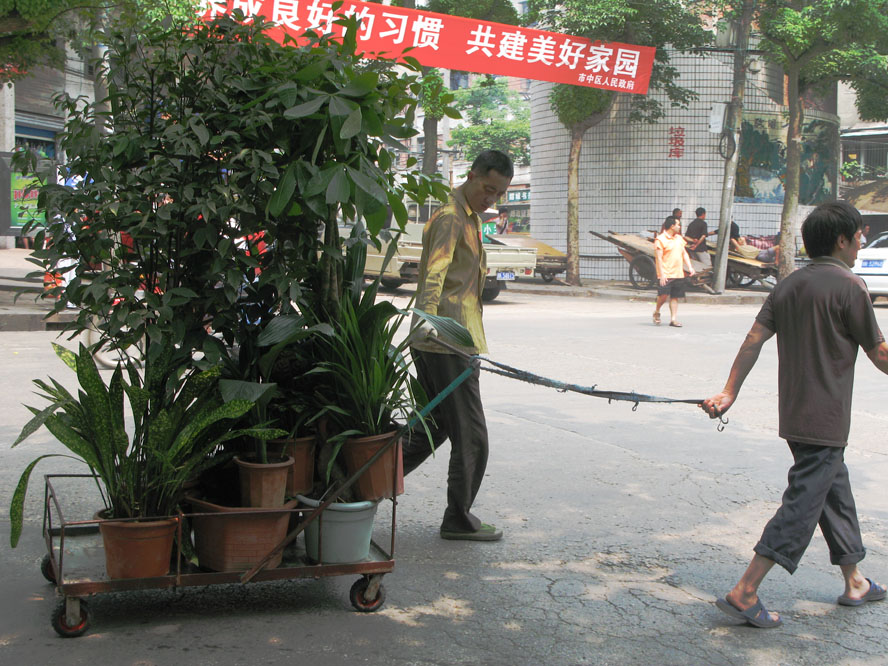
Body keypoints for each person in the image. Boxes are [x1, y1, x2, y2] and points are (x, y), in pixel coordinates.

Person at [701, 200, 888, 629]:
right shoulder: (849, 286)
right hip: (826, 419)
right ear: (842, 239)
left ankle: (854, 579)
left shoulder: (787, 285)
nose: (861, 242)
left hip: (797, 417)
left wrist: (730, 391)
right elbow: (879, 352)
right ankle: (745, 590)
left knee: (832, 492)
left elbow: (753, 338)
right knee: (803, 504)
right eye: (858, 235)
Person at [403, 149, 513, 542]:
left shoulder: (468, 217)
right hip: (444, 342)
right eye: (488, 189)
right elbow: (434, 276)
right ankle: (458, 517)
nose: (491, 199)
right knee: (472, 435)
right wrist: (428, 324)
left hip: (454, 339)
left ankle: (358, 487)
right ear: (472, 175)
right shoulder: (452, 217)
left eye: (498, 194)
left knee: (431, 428)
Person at [653, 216, 695, 327]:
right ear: (672, 226)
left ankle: (673, 319)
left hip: (678, 273)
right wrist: (661, 274)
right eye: (678, 225)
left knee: (675, 297)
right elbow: (659, 258)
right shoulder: (660, 240)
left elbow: (684, 253)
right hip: (666, 273)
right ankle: (657, 311)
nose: (679, 227)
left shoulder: (679, 238)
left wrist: (690, 267)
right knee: (663, 295)